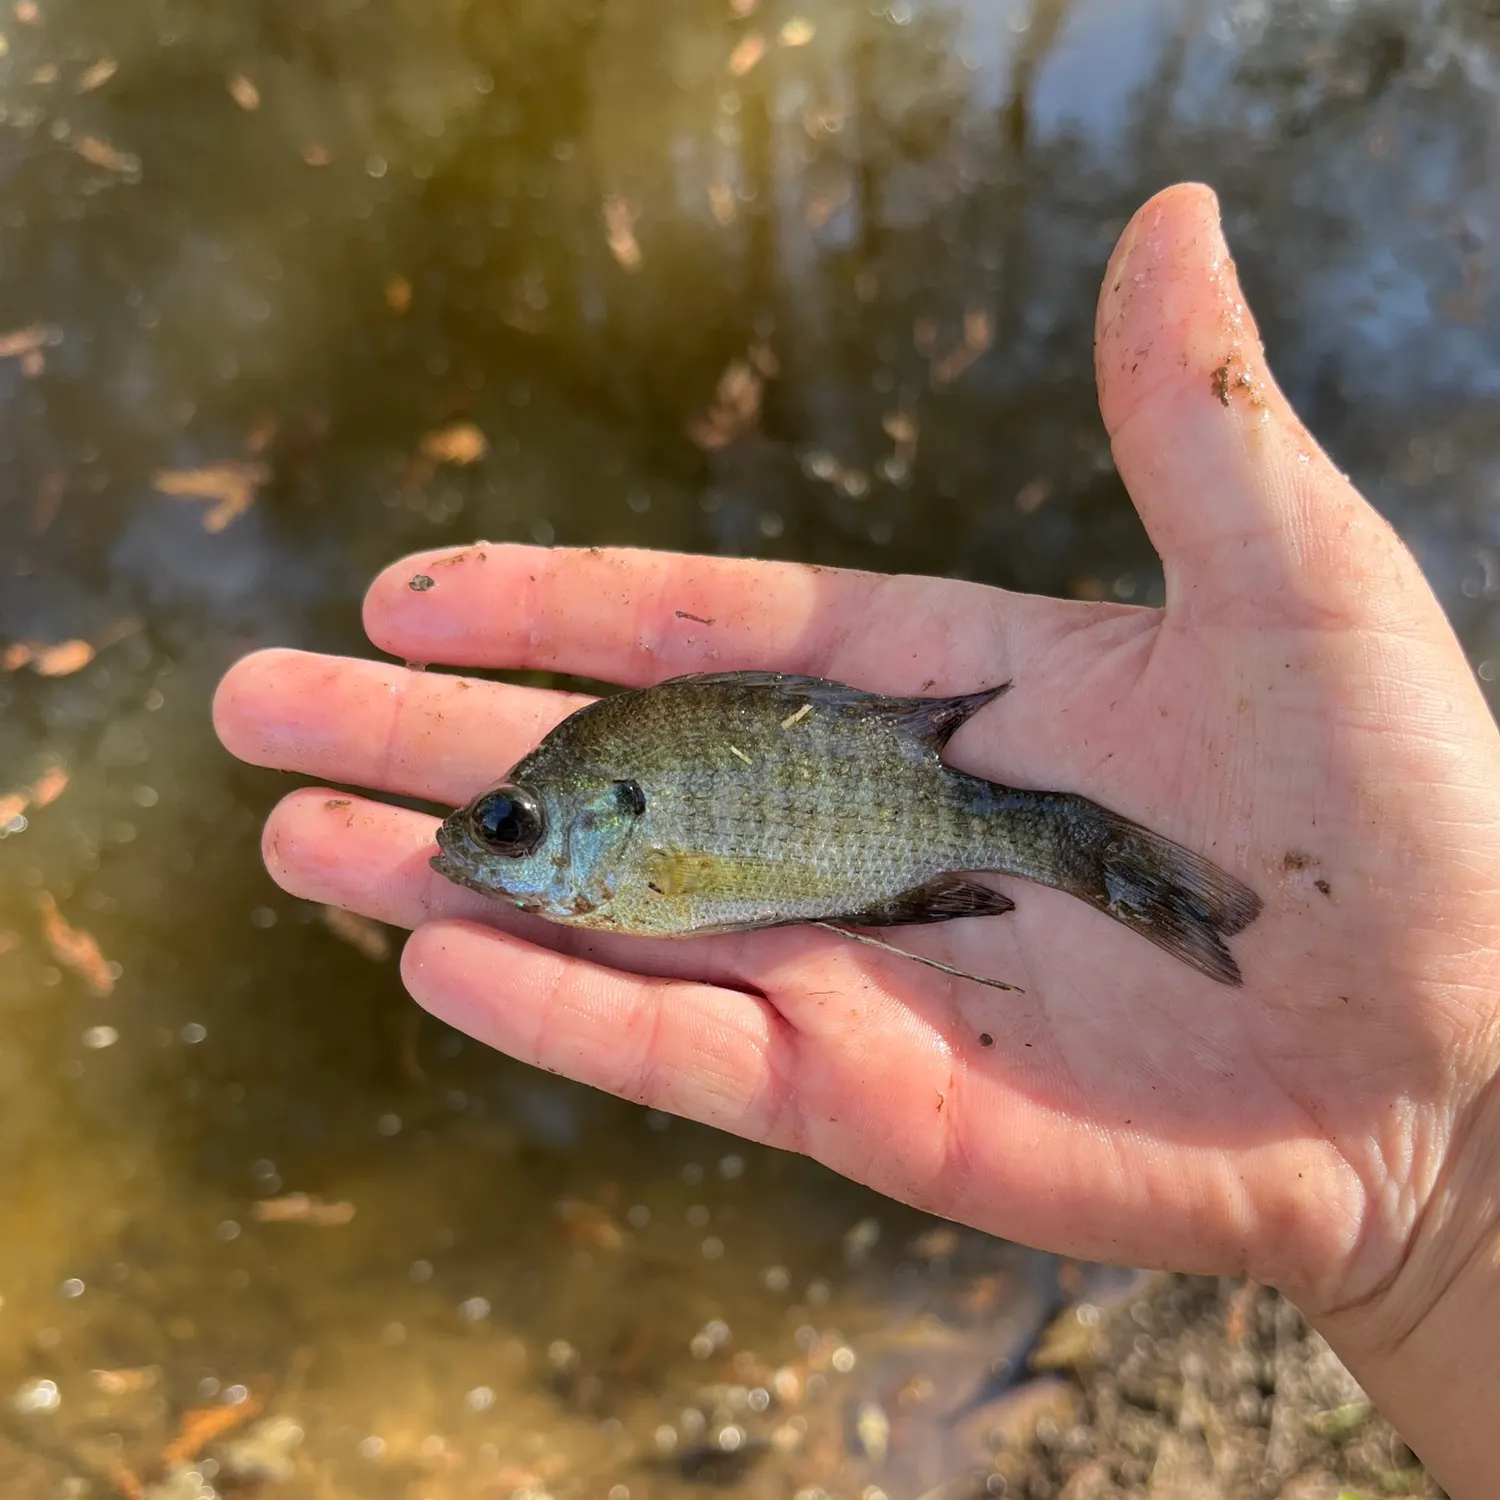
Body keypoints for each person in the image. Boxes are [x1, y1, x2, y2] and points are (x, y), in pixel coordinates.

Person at [213, 184, 1500, 1497]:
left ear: (592, 817)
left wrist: (1459, 1153)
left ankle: (1081, 859)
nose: (480, 842)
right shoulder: (612, 838)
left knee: (1037, 838)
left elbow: (709, 870)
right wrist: (1442, 1186)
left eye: (509, 824)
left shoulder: (625, 848)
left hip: (909, 815)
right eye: (498, 824)